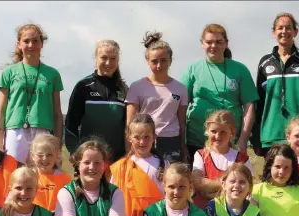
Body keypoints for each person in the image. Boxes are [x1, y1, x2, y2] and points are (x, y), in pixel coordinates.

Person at [180, 23, 259, 162]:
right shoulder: (192, 69)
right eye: (209, 42)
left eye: (218, 42)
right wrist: (181, 142)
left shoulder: (240, 70)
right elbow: (181, 106)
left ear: (226, 44)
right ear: (202, 44)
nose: (213, 46)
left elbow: (249, 106)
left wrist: (243, 140)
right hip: (197, 141)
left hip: (230, 143)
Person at [251, 12, 299, 158]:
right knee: (274, 179)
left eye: (288, 28)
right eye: (280, 28)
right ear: (274, 32)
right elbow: (258, 104)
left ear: (295, 31)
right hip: (271, 136)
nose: (284, 31)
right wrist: (255, 137)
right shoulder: (265, 62)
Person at [0, 23, 64, 164]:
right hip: (15, 130)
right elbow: (1, 110)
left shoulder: (53, 74)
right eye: (26, 41)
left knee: (42, 173)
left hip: (43, 130)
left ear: (41, 44)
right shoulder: (8, 72)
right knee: (13, 173)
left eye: (35, 41)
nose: (31, 45)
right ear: (19, 44)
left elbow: (57, 112)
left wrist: (57, 143)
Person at [125, 31, 189, 163]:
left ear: (170, 60)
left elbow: (182, 123)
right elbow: (129, 123)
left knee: (170, 180)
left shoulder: (181, 89)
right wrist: (128, 150)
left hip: (171, 142)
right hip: (143, 140)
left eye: (163, 60)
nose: (159, 66)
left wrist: (183, 147)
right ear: (148, 61)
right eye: (154, 61)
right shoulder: (136, 87)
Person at [65, 40, 129, 160]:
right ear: (96, 58)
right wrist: (74, 150)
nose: (108, 63)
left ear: (118, 60)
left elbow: (128, 127)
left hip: (117, 160)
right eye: (104, 58)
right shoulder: (83, 86)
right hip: (90, 159)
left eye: (113, 58)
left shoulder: (124, 89)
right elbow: (71, 124)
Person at [191, 110, 254, 210]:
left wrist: (210, 191)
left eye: (223, 132)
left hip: (231, 214)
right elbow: (197, 183)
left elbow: (249, 188)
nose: (217, 136)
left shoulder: (242, 159)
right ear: (207, 131)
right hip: (204, 212)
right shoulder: (200, 155)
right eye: (213, 131)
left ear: (232, 133)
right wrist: (230, 187)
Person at [30, 133, 71, 211]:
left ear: (56, 156)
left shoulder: (65, 180)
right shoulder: (28, 177)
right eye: (40, 155)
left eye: (49, 155)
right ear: (32, 156)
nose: (45, 158)